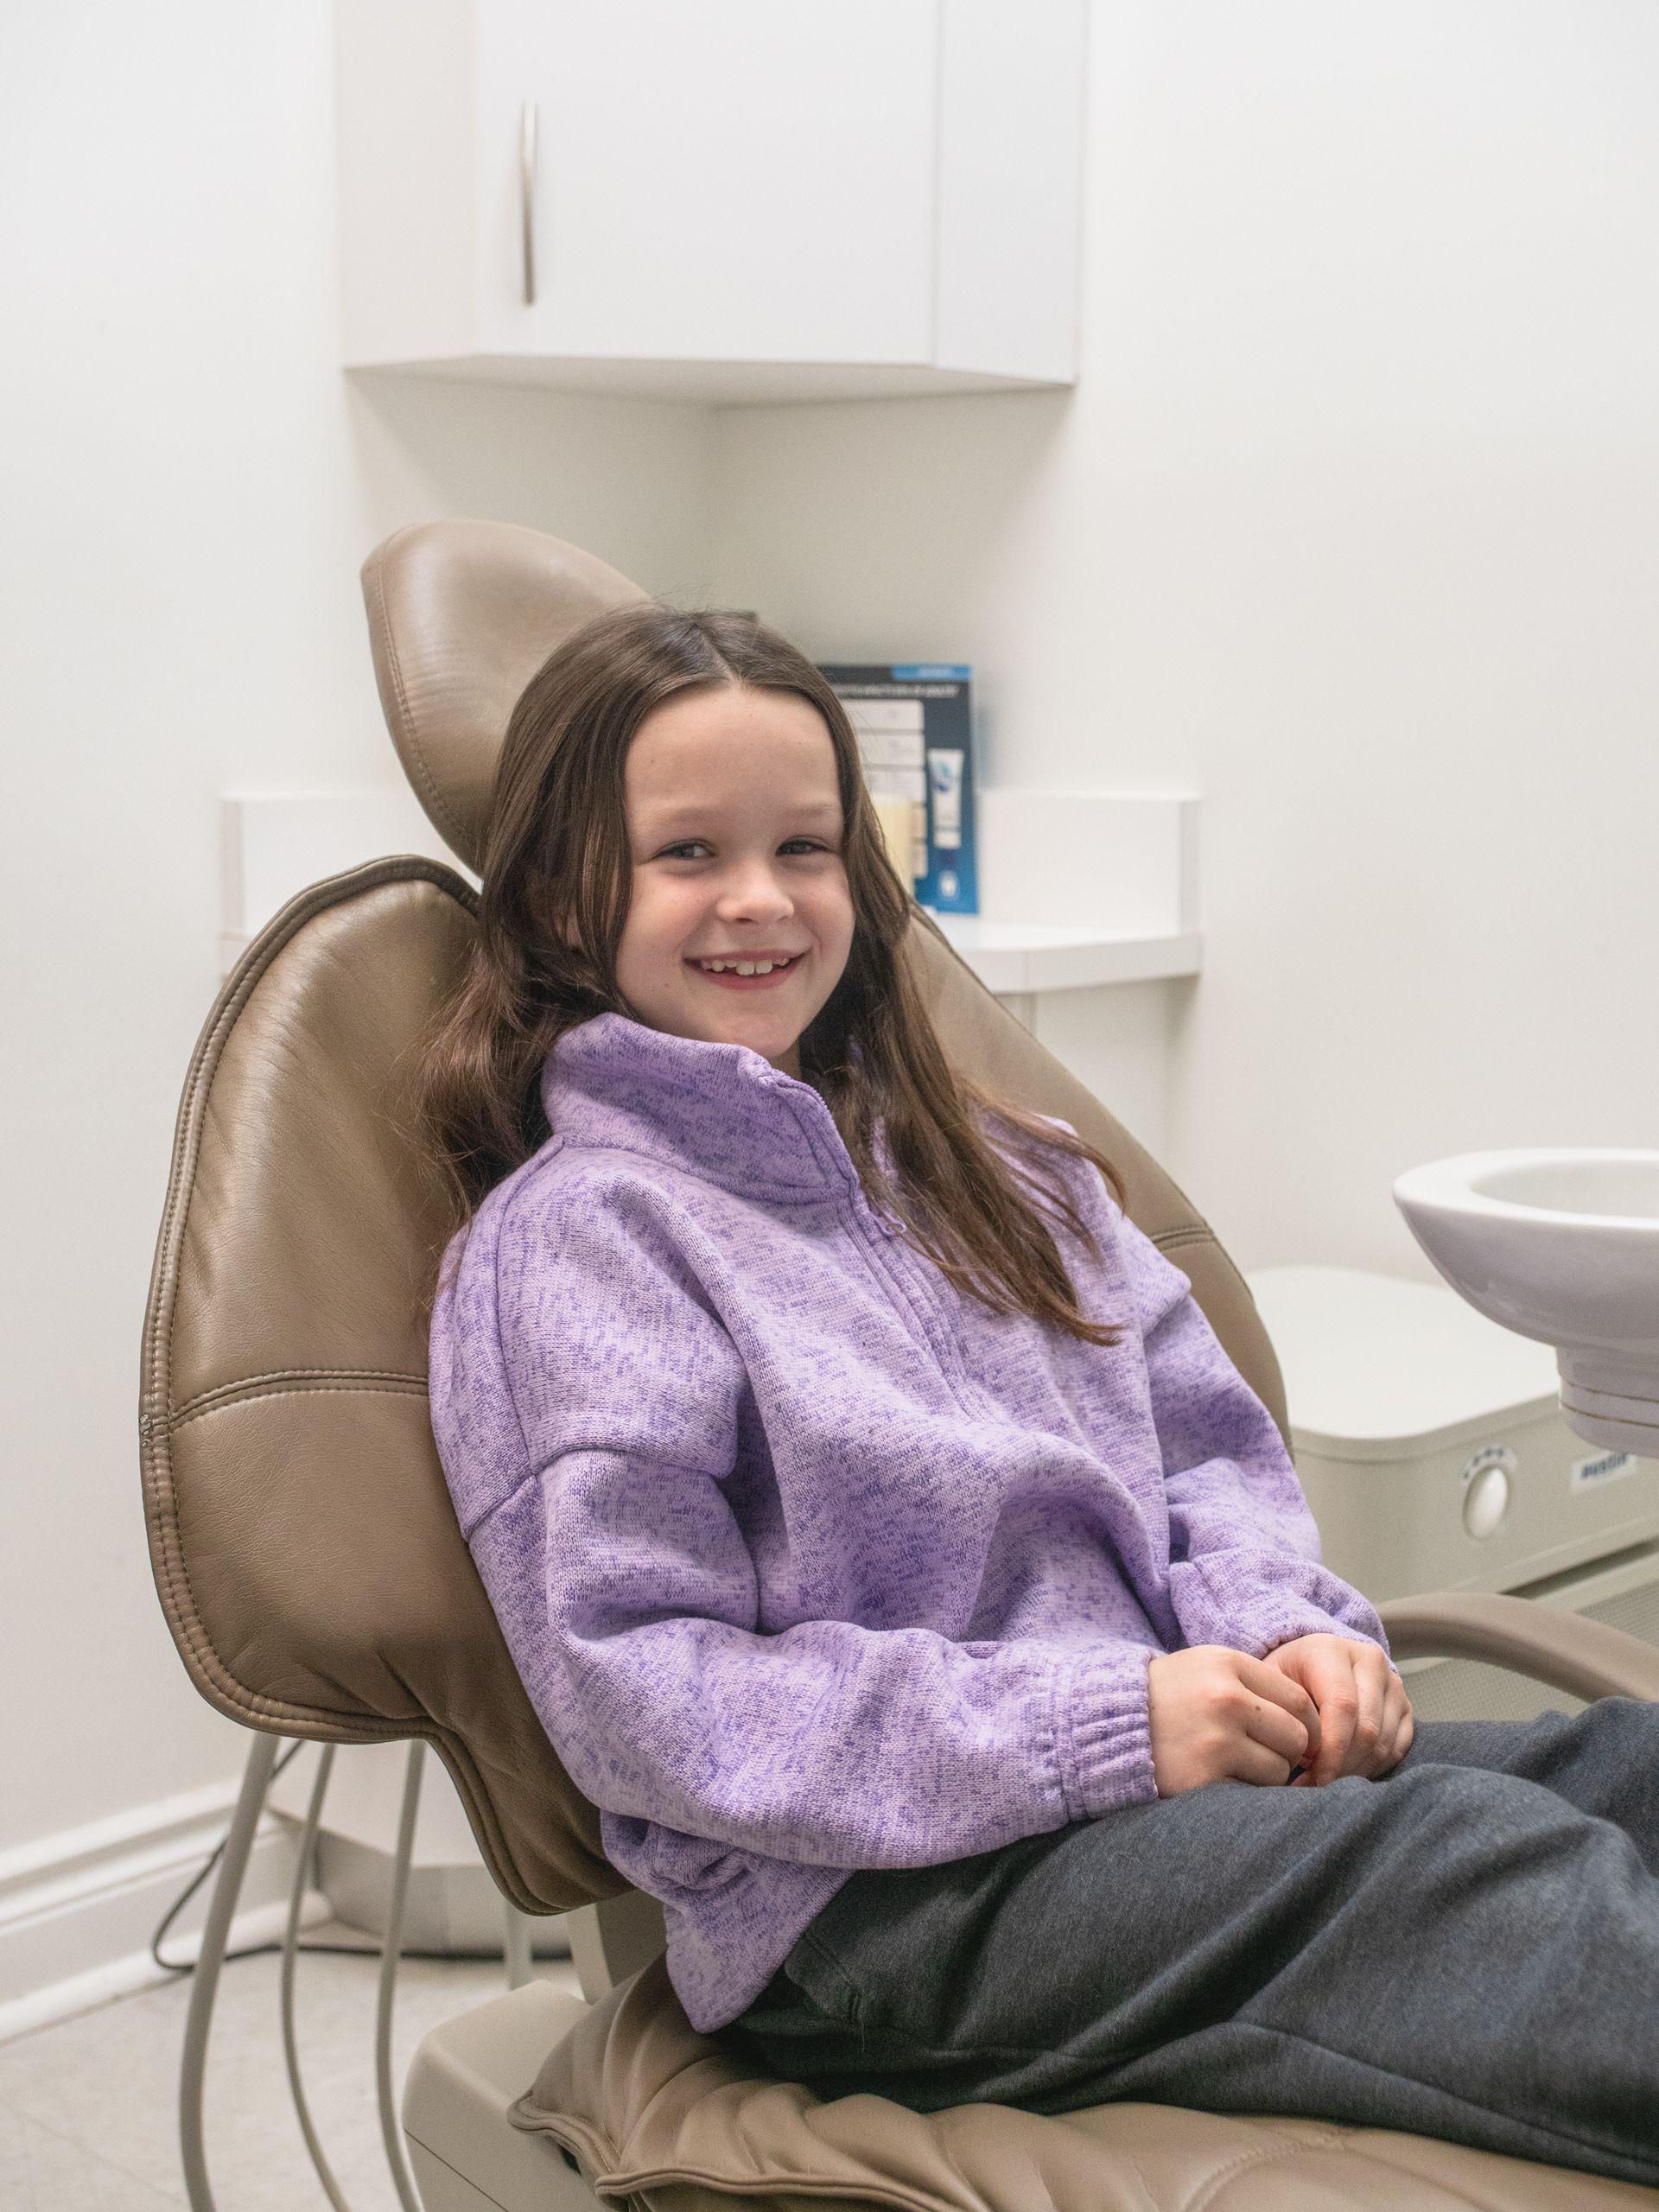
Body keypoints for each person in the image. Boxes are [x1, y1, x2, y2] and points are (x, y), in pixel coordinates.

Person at [420, 603, 1659, 2186]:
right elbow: (650, 1696)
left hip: (1158, 1779)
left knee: (1627, 1773)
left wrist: (1292, 1632)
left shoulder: (1009, 1170)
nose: (760, 898)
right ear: (555, 896)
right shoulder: (581, 1248)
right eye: (687, 854)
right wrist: (1106, 1726)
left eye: (805, 847)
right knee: (1473, 1861)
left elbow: (1206, 1455)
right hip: (873, 1906)